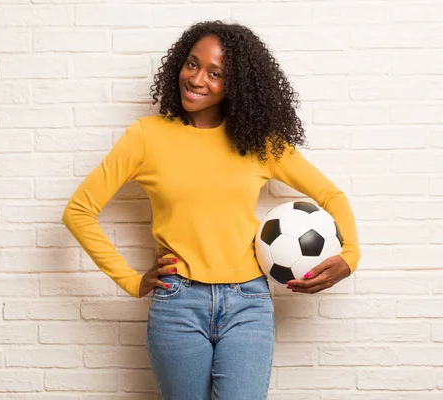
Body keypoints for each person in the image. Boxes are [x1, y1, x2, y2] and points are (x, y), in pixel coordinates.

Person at [62, 20, 360, 400]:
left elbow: (330, 194)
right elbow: (79, 211)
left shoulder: (259, 143)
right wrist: (130, 280)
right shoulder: (145, 137)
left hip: (248, 303)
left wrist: (349, 256)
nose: (197, 79)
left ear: (235, 84)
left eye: (215, 73)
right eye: (191, 64)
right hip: (177, 304)